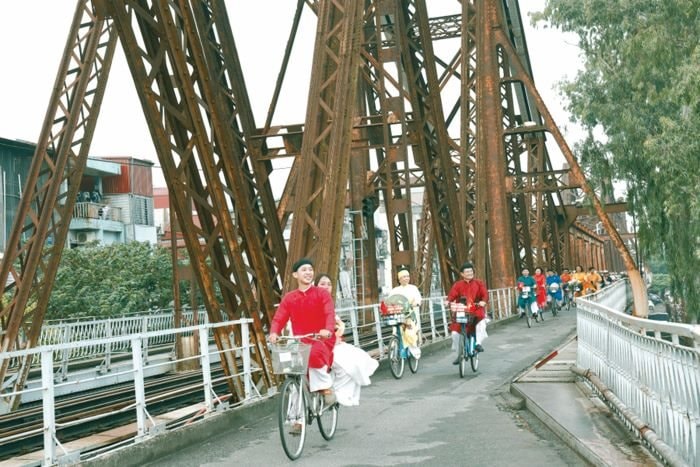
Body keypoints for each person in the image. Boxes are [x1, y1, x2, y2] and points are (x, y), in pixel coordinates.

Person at [269, 258, 336, 405]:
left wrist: (328, 330)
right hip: (300, 340)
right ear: (295, 275)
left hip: (321, 339)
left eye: (310, 269)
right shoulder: (289, 298)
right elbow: (279, 318)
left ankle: (325, 386)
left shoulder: (322, 294)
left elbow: (329, 314)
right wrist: (274, 332)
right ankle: (297, 418)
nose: (308, 272)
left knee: (313, 353)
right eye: (304, 270)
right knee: (289, 364)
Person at [316, 274, 379, 407]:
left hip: (331, 344)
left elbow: (339, 323)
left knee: (359, 358)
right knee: (347, 366)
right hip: (318, 345)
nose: (326, 286)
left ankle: (335, 394)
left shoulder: (328, 303)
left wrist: (337, 333)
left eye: (329, 284)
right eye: (322, 283)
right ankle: (335, 393)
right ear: (315, 286)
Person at [446, 262, 488, 364]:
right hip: (462, 310)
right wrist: (448, 301)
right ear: (462, 274)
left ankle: (478, 344)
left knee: (481, 322)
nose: (470, 273)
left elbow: (485, 294)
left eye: (471, 271)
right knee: (455, 333)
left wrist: (483, 301)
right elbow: (452, 295)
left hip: (476, 309)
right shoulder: (458, 285)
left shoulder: (479, 283)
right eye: (467, 271)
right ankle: (459, 354)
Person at [388, 267, 422, 349]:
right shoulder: (395, 290)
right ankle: (394, 346)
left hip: (410, 313)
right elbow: (390, 300)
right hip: (399, 313)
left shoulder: (413, 288)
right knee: (396, 329)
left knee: (410, 331)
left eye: (407, 276)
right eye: (404, 276)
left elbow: (418, 299)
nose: (406, 278)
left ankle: (414, 348)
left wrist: (416, 303)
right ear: (399, 279)